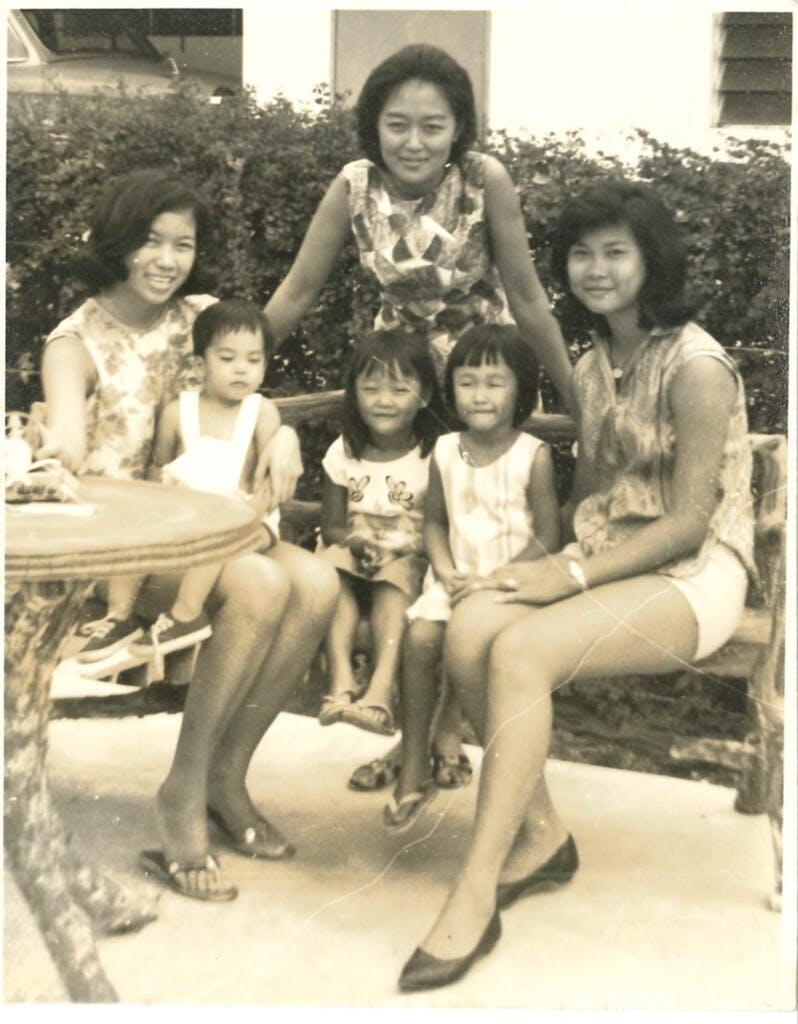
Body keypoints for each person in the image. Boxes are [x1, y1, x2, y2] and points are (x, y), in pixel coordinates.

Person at [397, 181, 755, 991]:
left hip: (695, 575)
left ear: (651, 260)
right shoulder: (594, 365)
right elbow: (592, 497)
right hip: (607, 559)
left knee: (520, 652)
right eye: (582, 255)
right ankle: (542, 835)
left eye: (616, 252)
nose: (597, 270)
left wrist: (564, 575)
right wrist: (526, 568)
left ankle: (475, 890)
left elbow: (687, 523)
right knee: (472, 624)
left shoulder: (697, 367)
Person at [265, 43, 574, 791]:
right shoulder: (353, 186)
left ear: (459, 128)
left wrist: (576, 397)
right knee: (413, 564)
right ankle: (407, 737)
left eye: (432, 126)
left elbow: (528, 298)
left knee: (466, 561)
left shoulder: (484, 179)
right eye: (397, 124)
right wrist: (230, 368)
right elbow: (298, 290)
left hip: (479, 388)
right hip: (401, 390)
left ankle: (444, 736)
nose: (413, 141)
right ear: (372, 126)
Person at [41, 169, 338, 901]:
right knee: (262, 583)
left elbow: (250, 395)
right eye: (150, 241)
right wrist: (55, 447)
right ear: (117, 242)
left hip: (208, 525)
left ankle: (225, 779)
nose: (167, 260)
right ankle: (183, 790)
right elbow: (67, 443)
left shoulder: (201, 317)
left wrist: (284, 436)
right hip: (122, 547)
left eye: (183, 244)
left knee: (317, 581)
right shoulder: (74, 343)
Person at [383, 323, 560, 833]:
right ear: (452, 389)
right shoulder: (444, 451)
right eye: (467, 382)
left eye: (494, 383)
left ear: (521, 390)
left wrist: (498, 579)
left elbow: (548, 535)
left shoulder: (533, 455)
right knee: (420, 640)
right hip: (455, 582)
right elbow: (435, 524)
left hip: (510, 588)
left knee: (479, 646)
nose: (479, 395)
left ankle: (486, 766)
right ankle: (414, 760)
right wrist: (443, 569)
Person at [130, 299, 283, 657]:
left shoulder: (262, 412)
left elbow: (269, 486)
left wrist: (248, 515)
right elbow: (157, 474)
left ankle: (186, 614)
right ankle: (119, 617)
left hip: (250, 521)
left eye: (253, 360)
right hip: (190, 521)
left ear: (264, 367)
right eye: (227, 358)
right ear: (201, 364)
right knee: (136, 533)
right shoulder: (177, 412)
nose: (241, 369)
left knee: (217, 534)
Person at [318, 329, 439, 735]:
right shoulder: (343, 452)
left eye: (399, 389)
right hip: (353, 555)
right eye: (370, 389)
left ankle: (380, 691)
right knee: (330, 569)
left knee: (396, 578)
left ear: (424, 395)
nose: (383, 400)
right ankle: (340, 684)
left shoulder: (432, 456)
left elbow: (438, 525)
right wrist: (353, 541)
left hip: (407, 562)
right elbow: (332, 526)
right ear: (354, 394)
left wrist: (402, 548)